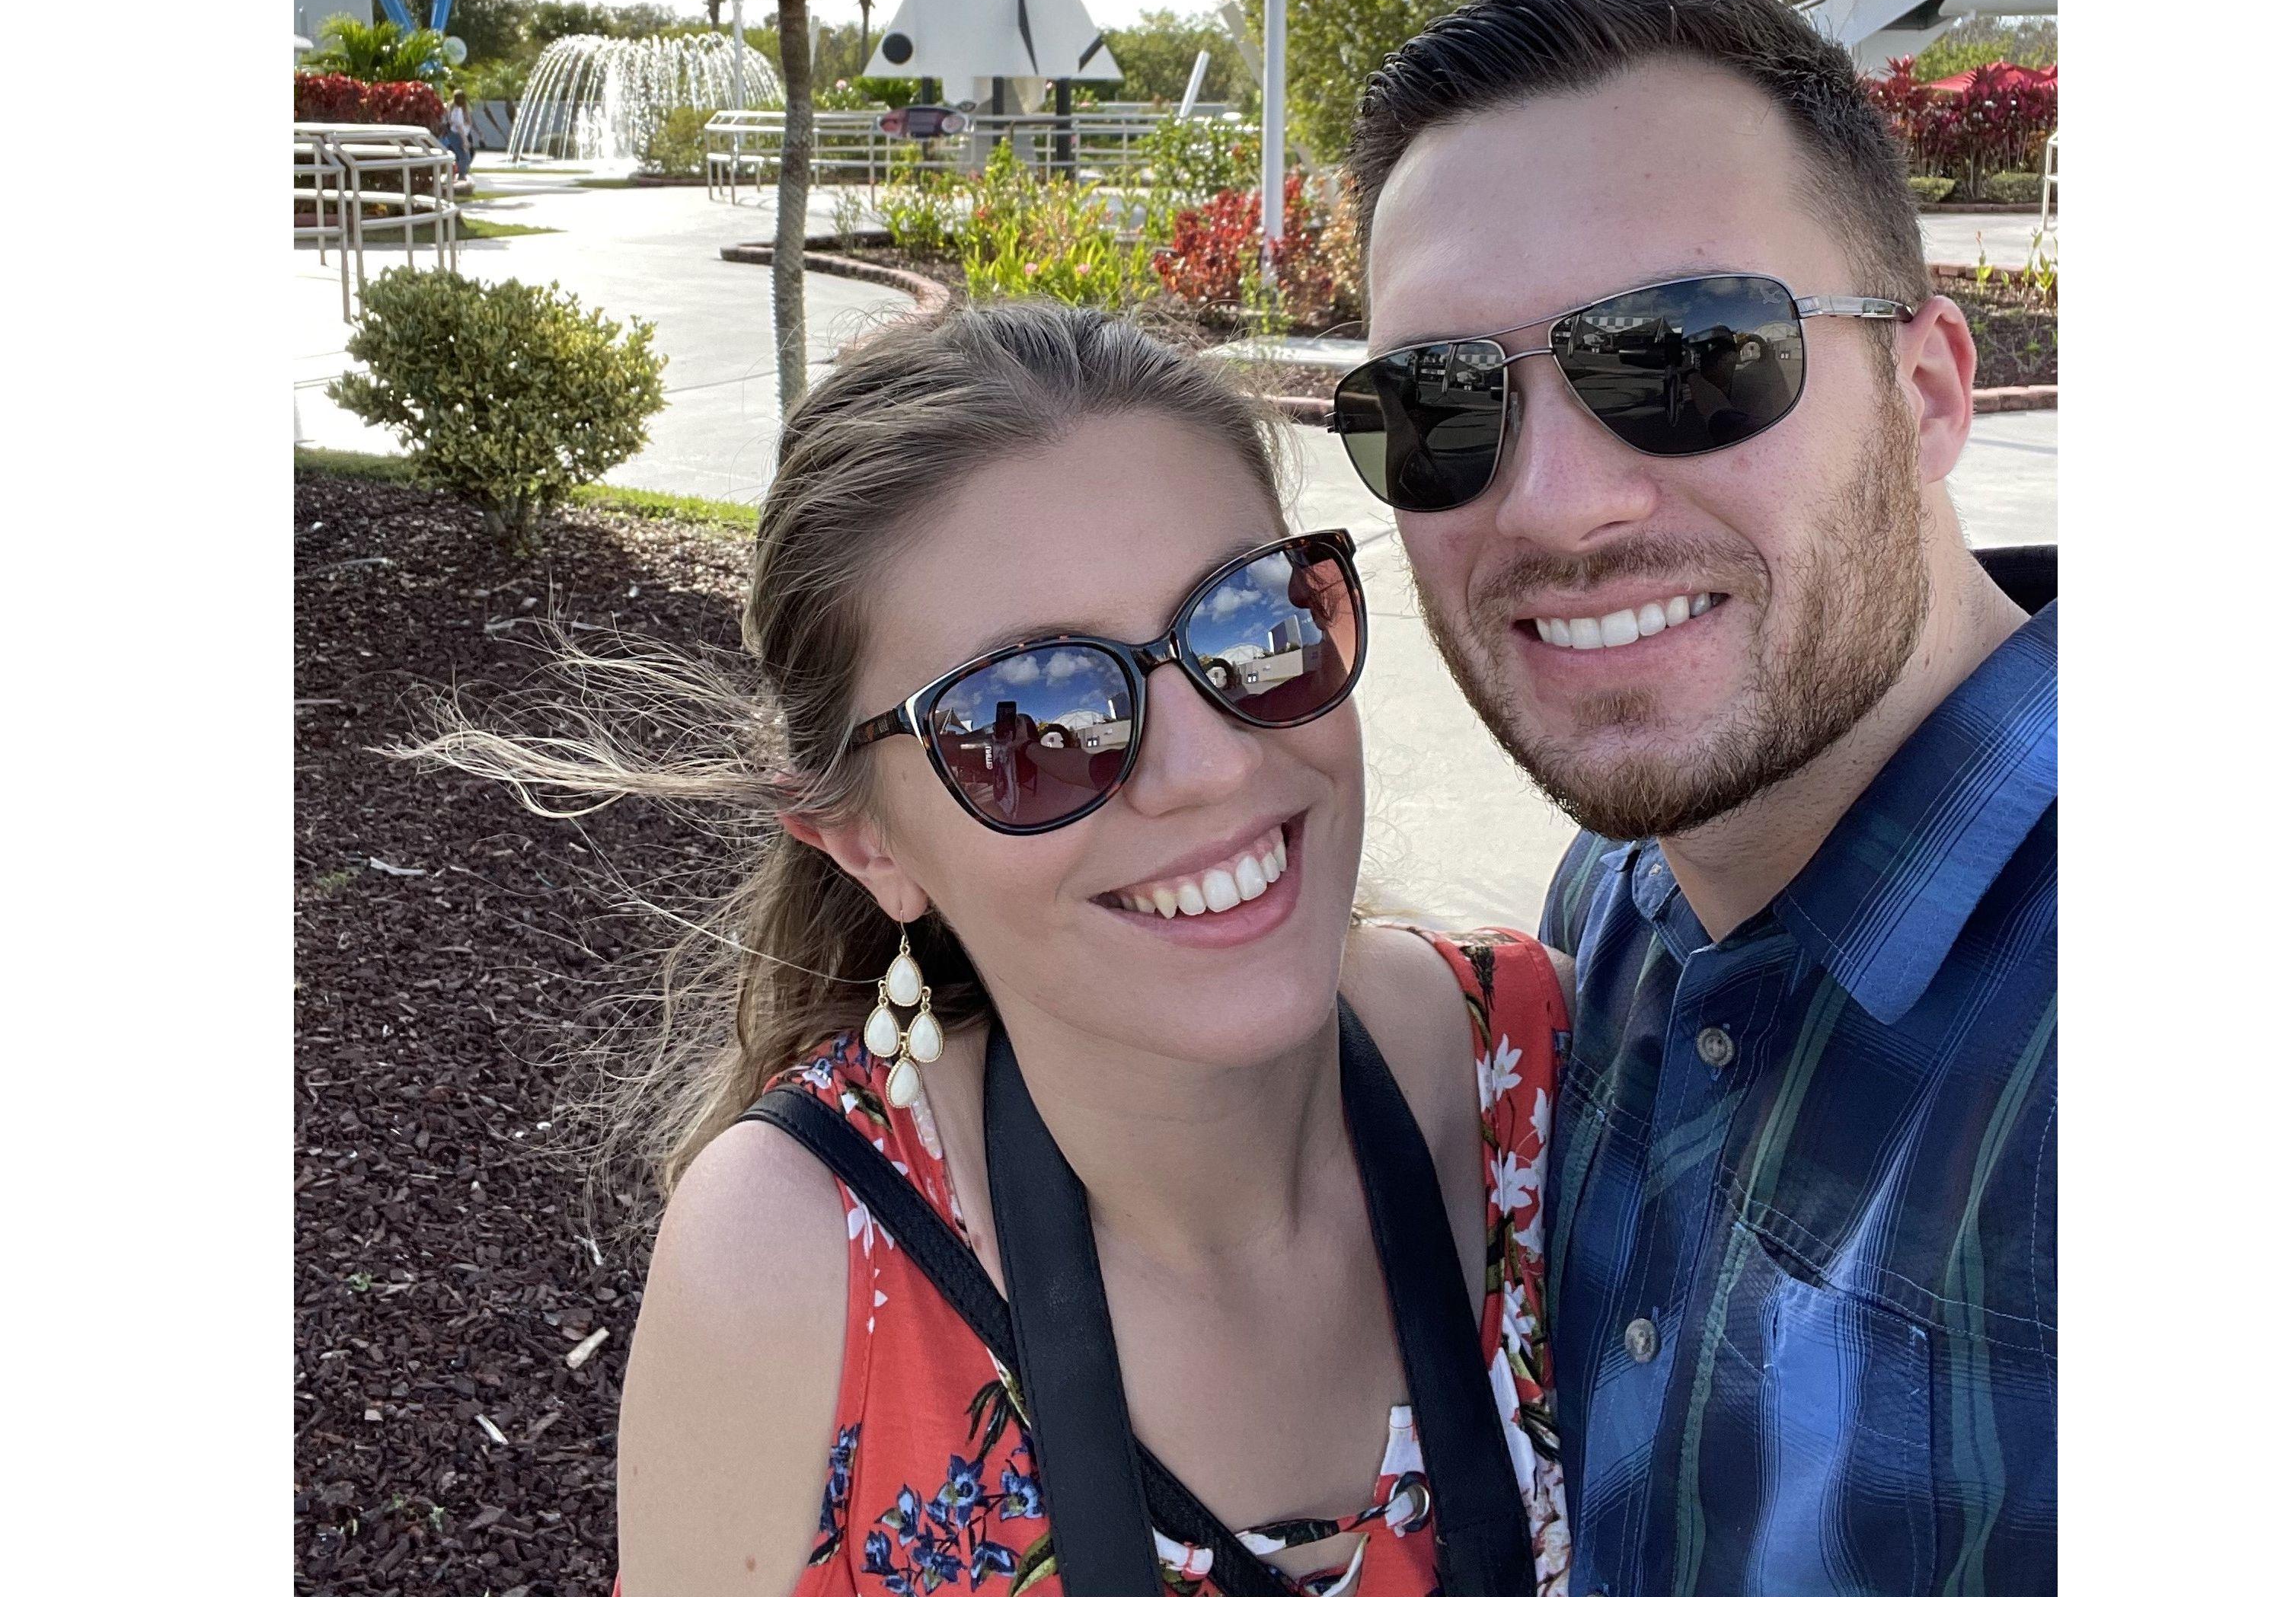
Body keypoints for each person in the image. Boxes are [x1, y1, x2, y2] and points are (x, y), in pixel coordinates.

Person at [428, 302, 1575, 1594]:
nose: (1210, 766)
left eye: (1250, 620)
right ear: (866, 840)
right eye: (1032, 720)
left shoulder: (1536, 1064)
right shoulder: (793, 1263)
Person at [1331, 0, 2056, 1596]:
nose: (1554, 503)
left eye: (1683, 353)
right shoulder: (1617, 897)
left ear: (1926, 394)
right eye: (1440, 406)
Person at [440, 90, 476, 181]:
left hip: (455, 135)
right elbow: (459, 127)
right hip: (458, 135)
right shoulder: (457, 110)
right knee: (465, 158)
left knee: (462, 157)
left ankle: (459, 175)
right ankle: (460, 175)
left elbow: (453, 122)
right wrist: (465, 141)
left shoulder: (453, 108)